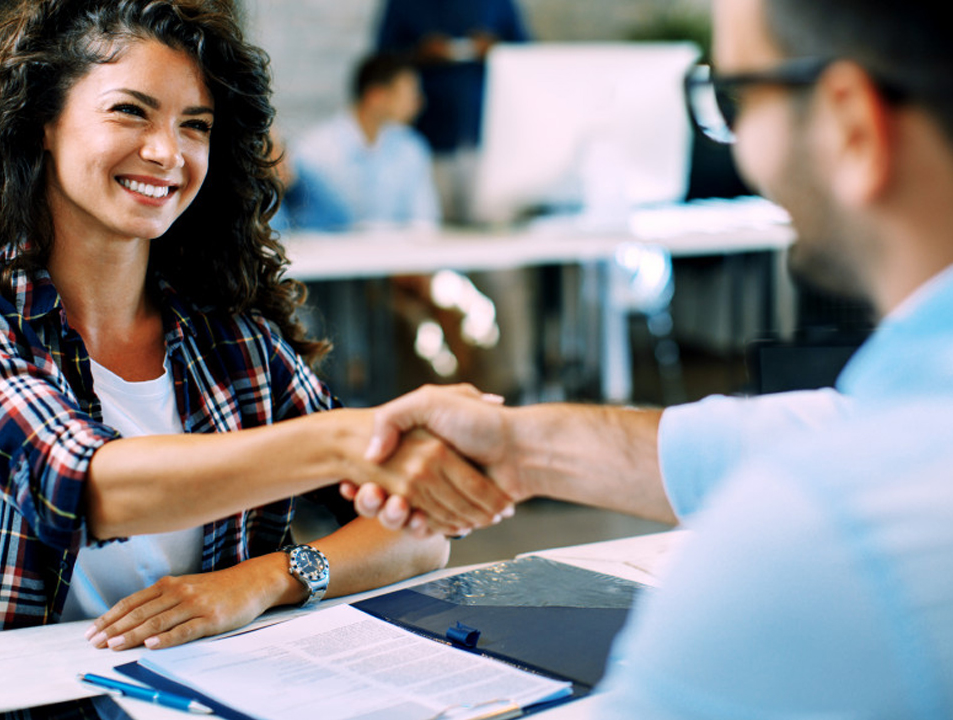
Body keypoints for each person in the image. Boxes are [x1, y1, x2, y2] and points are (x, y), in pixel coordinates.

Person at [351, 0, 953, 713]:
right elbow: (835, 428)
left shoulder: (819, 545)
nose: (736, 144)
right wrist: (521, 450)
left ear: (851, 128)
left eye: (735, 98)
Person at [0, 0, 512, 651]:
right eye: (130, 110)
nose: (166, 151)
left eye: (195, 125)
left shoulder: (234, 340)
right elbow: (92, 488)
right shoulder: (1, 322)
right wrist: (348, 440)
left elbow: (419, 534)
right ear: (45, 120)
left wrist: (267, 579)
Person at [375, 0, 529, 222]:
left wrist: (496, 48)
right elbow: (382, 60)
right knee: (431, 229)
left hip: (486, 138)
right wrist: (419, 53)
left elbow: (526, 52)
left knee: (491, 232)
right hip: (429, 140)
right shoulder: (403, 4)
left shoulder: (500, 3)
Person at [280, 52, 439, 231]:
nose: (418, 103)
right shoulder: (313, 151)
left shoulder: (412, 149)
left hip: (399, 256)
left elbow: (424, 224)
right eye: (410, 94)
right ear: (376, 96)